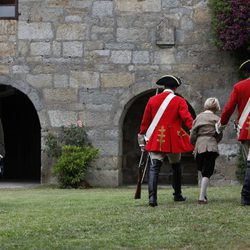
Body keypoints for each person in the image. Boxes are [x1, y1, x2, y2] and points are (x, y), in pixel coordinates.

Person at [137, 75, 194, 207]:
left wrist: (142, 136)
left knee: (154, 167)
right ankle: (177, 195)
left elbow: (145, 122)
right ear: (175, 87)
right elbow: (188, 119)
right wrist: (194, 131)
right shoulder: (179, 101)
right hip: (173, 138)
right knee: (176, 166)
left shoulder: (152, 100)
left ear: (164, 86)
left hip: (157, 137)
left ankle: (152, 199)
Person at [216, 59, 250, 206]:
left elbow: (229, 108)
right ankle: (246, 196)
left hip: (247, 129)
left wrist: (221, 126)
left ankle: (246, 196)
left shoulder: (239, 86)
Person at [190, 98, 222, 204]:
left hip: (199, 145)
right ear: (216, 107)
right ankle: (201, 197)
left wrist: (194, 143)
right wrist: (214, 140)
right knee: (207, 172)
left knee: (203, 170)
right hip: (211, 146)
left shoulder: (199, 117)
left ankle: (203, 194)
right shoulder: (217, 118)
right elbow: (219, 134)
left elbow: (193, 133)